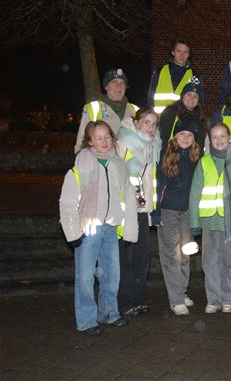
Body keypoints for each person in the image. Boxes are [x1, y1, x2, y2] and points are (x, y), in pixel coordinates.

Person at [59, 121, 138, 335]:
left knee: (112, 275)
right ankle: (86, 320)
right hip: (88, 229)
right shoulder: (80, 166)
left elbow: (129, 198)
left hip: (111, 227)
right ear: (90, 141)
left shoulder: (119, 165)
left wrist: (130, 229)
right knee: (85, 277)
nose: (104, 141)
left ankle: (109, 313)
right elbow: (67, 202)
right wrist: (73, 233)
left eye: (107, 136)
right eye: (98, 137)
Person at [189, 123, 231, 314]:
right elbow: (195, 193)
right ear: (210, 140)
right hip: (209, 221)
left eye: (222, 136)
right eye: (214, 137)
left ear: (229, 138)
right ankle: (214, 299)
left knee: (230, 262)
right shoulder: (204, 162)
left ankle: (228, 297)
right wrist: (194, 222)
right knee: (210, 262)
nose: (218, 140)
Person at [151, 120, 201, 316]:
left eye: (189, 135)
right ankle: (175, 299)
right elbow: (157, 186)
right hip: (168, 211)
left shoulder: (197, 158)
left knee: (186, 253)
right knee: (172, 255)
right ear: (175, 137)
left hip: (187, 212)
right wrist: (155, 211)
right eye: (182, 135)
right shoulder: (166, 157)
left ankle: (182, 290)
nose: (186, 138)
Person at [116, 108, 162, 318]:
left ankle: (138, 298)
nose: (151, 128)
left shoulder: (153, 146)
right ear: (136, 123)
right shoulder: (123, 143)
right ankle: (125, 302)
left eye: (154, 124)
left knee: (142, 258)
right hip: (126, 209)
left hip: (143, 209)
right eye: (147, 123)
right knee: (126, 257)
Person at [74, 69, 139, 153]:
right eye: (114, 82)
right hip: (101, 163)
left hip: (128, 164)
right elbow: (82, 140)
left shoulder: (135, 110)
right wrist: (80, 159)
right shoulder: (93, 108)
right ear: (106, 86)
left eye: (122, 83)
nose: (119, 86)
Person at [148, 40, 200, 114]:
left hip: (182, 122)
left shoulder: (194, 76)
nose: (182, 55)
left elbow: (198, 104)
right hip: (160, 120)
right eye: (179, 51)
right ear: (173, 52)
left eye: (185, 52)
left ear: (189, 54)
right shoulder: (159, 72)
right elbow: (150, 99)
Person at [158, 77, 207, 151]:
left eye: (195, 96)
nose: (191, 98)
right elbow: (163, 137)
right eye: (188, 94)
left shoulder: (200, 118)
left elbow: (200, 143)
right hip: (171, 157)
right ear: (183, 96)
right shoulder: (170, 113)